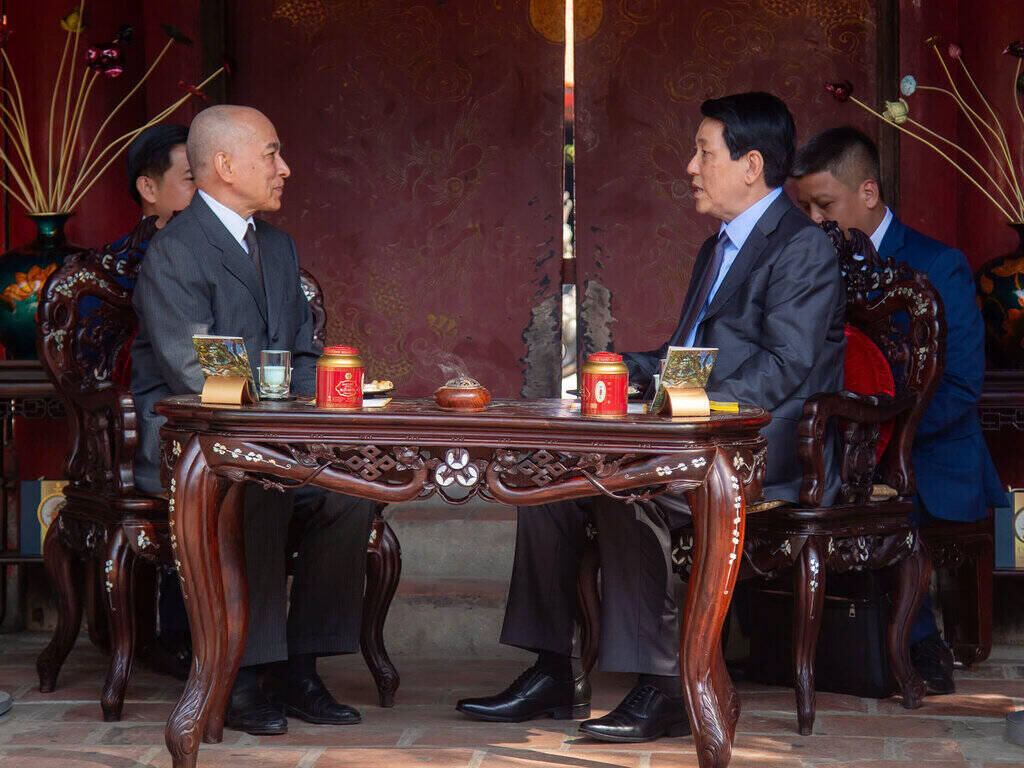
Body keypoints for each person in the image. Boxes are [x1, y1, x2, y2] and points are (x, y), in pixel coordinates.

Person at [457, 92, 846, 743]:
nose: (691, 167)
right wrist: (623, 368)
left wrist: (671, 402)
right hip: (695, 436)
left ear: (751, 165)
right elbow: (683, 358)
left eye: (703, 152)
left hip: (764, 451)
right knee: (544, 482)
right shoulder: (714, 248)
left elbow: (786, 371)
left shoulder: (800, 250)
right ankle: (552, 669)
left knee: (624, 489)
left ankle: (663, 685)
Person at [130, 105, 376, 735]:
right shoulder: (176, 251)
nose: (285, 169)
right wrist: (286, 405)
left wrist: (315, 392)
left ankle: (302, 667)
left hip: (271, 432)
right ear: (224, 164)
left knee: (352, 492)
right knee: (262, 484)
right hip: (194, 442)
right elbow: (195, 375)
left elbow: (303, 351)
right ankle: (243, 672)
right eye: (272, 154)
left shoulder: (278, 245)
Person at [792, 125, 1007, 695]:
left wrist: (883, 441)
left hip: (928, 448)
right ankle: (788, 640)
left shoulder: (940, 264)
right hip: (839, 440)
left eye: (824, 205)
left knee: (880, 499)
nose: (814, 221)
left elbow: (961, 387)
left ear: (867, 192)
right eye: (806, 207)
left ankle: (918, 642)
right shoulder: (813, 265)